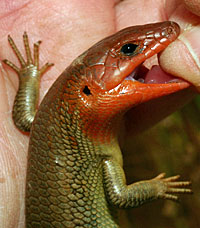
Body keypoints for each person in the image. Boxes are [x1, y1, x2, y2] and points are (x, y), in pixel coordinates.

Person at [0, 0, 199, 227]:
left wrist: (29, 75)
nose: (163, 35)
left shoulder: (53, 125)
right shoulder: (98, 155)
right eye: (128, 50)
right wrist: (158, 187)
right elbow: (121, 197)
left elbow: (24, 120)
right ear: (86, 91)